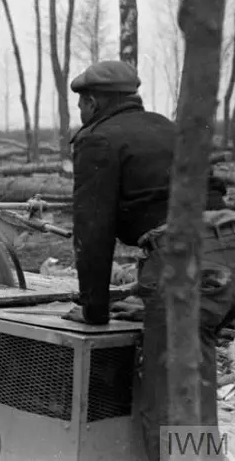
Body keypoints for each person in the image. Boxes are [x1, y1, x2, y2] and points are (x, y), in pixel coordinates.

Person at [63, 60, 235, 460]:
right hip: (225, 257)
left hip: (184, 268)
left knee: (171, 408)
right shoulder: (170, 129)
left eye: (81, 107)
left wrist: (94, 310)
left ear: (90, 103)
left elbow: (94, 231)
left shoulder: (99, 139)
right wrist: (146, 293)